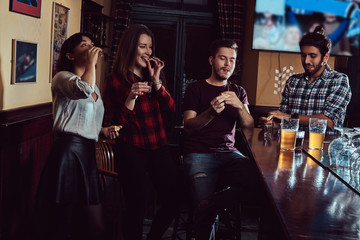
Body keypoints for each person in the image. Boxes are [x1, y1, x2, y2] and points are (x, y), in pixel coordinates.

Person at [33, 33, 121, 240]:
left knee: (95, 224)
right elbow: (83, 90)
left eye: (92, 45)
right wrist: (92, 63)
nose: (91, 48)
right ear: (70, 55)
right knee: (64, 221)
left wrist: (102, 130)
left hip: (88, 151)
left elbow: (80, 116)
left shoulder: (94, 87)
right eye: (84, 45)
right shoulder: (63, 78)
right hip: (68, 152)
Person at [102, 24, 179, 240]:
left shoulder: (153, 75)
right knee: (137, 204)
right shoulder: (114, 80)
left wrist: (156, 82)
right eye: (142, 46)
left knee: (174, 199)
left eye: (150, 47)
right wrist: (131, 98)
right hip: (131, 148)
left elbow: (171, 108)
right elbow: (115, 125)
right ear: (130, 48)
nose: (148, 52)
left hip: (158, 145)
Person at [182, 39, 256, 239]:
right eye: (223, 58)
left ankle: (211, 206)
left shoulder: (239, 92)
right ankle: (209, 208)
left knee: (255, 175)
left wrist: (240, 106)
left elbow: (249, 126)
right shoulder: (195, 89)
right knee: (204, 209)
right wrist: (210, 113)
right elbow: (188, 126)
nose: (227, 64)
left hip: (229, 154)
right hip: (199, 154)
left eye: (232, 60)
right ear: (211, 60)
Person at [262, 26, 352, 131]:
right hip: (292, 145)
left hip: (324, 145)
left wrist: (288, 117)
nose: (306, 61)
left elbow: (329, 122)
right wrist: (271, 124)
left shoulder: (339, 80)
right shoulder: (293, 81)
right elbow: (283, 120)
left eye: (312, 56)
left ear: (325, 57)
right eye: (303, 55)